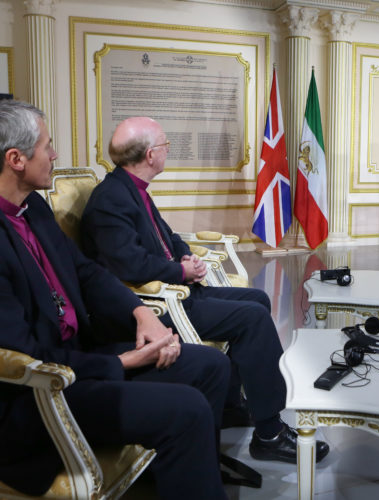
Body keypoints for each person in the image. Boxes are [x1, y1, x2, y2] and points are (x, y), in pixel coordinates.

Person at [0, 100, 231, 500]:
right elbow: (24, 352)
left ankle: (186, 473)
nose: (55, 154)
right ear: (16, 158)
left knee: (210, 364)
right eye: (48, 145)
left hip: (80, 354)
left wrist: (140, 312)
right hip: (38, 394)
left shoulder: (32, 206)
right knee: (187, 409)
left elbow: (86, 272)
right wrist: (122, 362)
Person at [81, 116, 330, 464]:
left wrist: (185, 256)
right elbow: (129, 265)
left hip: (176, 289)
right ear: (151, 155)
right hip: (154, 305)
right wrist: (179, 269)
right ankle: (270, 433)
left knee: (257, 298)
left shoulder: (131, 189)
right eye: (166, 144)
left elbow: (167, 236)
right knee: (252, 319)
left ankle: (229, 407)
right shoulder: (110, 199)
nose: (168, 149)